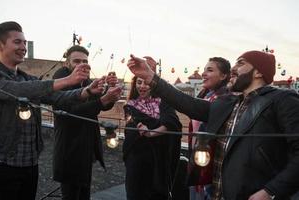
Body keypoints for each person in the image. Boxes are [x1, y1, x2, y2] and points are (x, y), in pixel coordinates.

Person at [127, 52, 299, 200]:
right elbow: (186, 103)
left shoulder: (282, 100)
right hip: (218, 192)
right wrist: (150, 76)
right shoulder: (228, 103)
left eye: (241, 63)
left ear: (259, 72)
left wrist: (271, 191)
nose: (233, 68)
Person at [0, 21, 103, 200]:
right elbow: (15, 90)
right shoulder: (16, 82)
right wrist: (67, 80)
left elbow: (57, 98)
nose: (23, 47)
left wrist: (87, 91)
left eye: (25, 42)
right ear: (0, 45)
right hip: (3, 164)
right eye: (17, 42)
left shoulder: (28, 78)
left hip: (30, 163)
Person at [52, 45, 122, 200]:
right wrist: (103, 100)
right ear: (67, 63)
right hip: (69, 146)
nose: (81, 65)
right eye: (76, 61)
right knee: (70, 194)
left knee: (84, 193)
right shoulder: (61, 78)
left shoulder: (88, 80)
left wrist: (110, 91)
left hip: (86, 145)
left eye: (85, 61)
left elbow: (101, 105)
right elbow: (71, 111)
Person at [123, 70, 182, 200]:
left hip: (156, 158)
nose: (142, 86)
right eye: (139, 82)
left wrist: (151, 133)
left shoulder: (164, 103)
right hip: (136, 158)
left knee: (156, 193)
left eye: (146, 83)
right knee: (134, 193)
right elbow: (131, 126)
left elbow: (172, 123)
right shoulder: (130, 105)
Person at [188, 57, 230, 200]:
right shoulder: (205, 95)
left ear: (224, 76)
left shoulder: (224, 100)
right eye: (204, 70)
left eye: (210, 70)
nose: (204, 73)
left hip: (211, 165)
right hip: (199, 158)